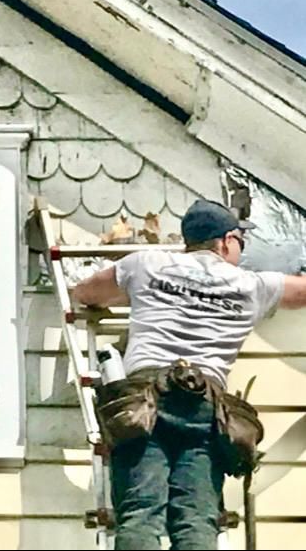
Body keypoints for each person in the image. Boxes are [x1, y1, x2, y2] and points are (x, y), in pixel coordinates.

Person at [73, 199, 306, 550]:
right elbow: (302, 292)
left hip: (142, 403)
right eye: (241, 241)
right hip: (204, 407)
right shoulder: (252, 285)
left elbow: (85, 294)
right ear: (226, 241)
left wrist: (142, 297)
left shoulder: (146, 264)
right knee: (195, 521)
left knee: (140, 514)